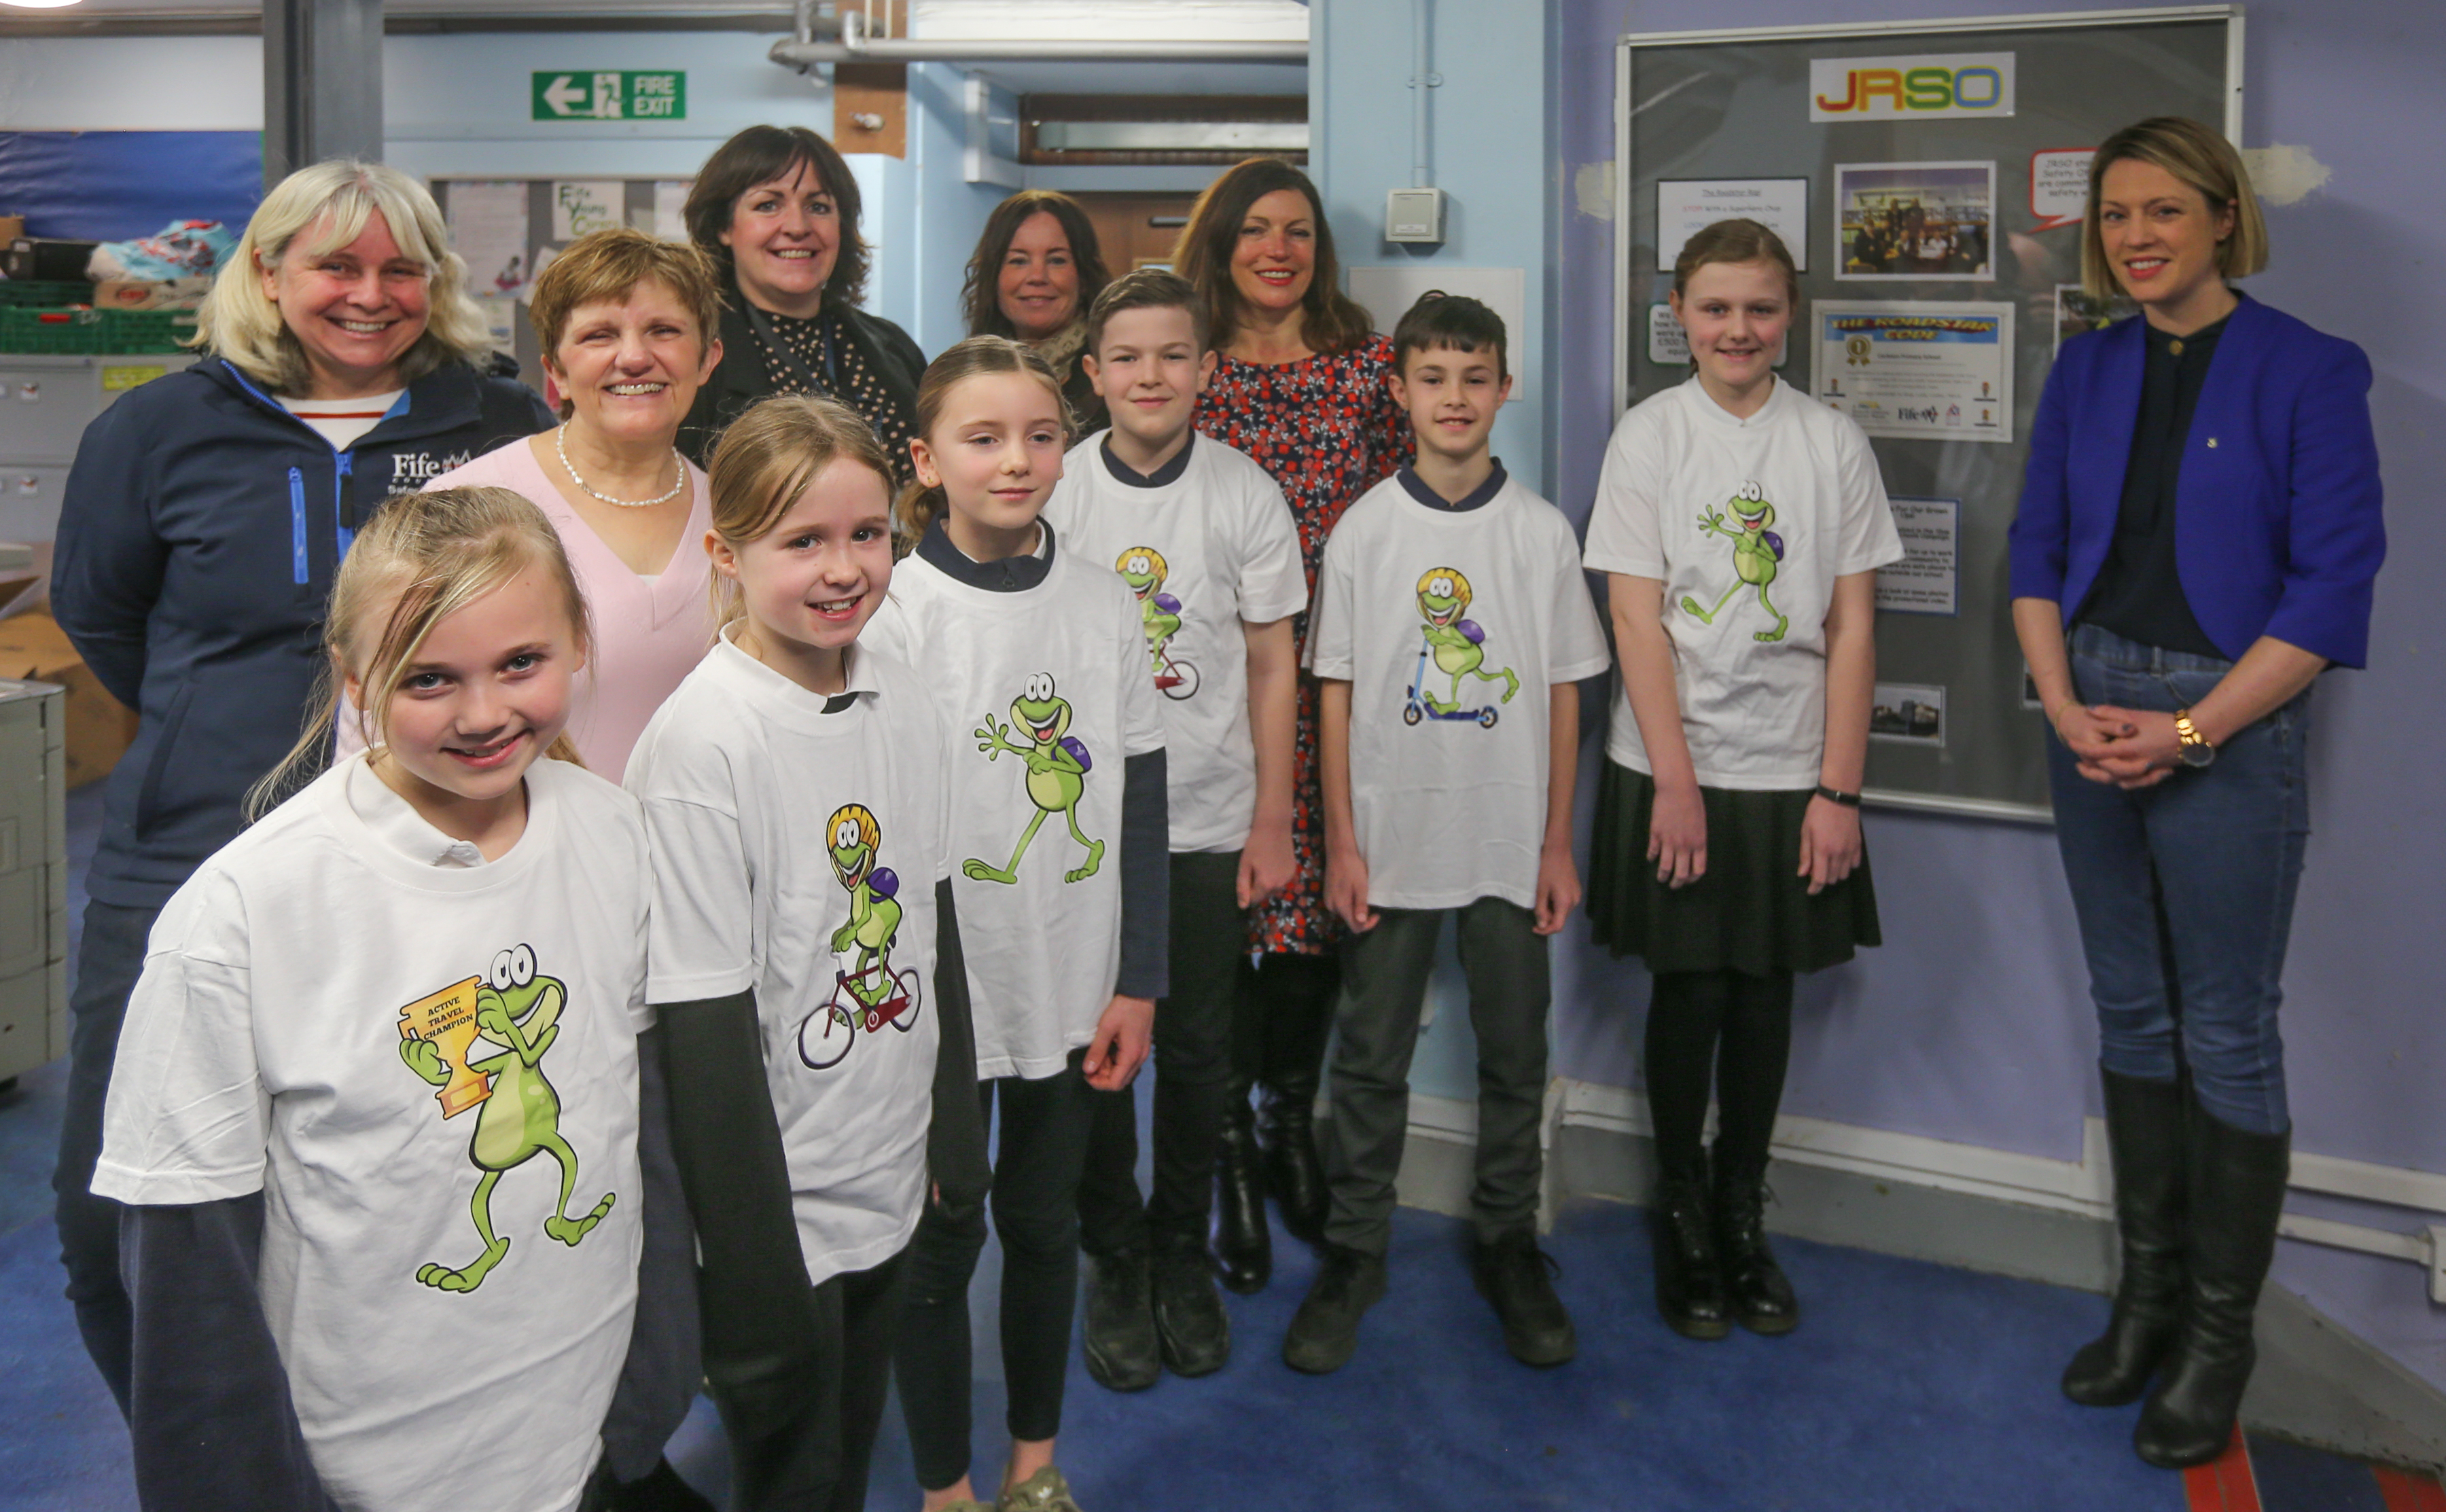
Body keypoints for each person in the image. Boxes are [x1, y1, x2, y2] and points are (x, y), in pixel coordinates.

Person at [48, 158, 555, 1416]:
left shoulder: (495, 432)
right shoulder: (154, 432)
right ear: (269, 274)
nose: (369, 295)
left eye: (400, 268)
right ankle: (220, 1465)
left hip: (428, 866)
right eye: (336, 265)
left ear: (435, 282)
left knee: (400, 1192)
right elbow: (101, 619)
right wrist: (232, 730)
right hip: (186, 860)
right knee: (121, 1204)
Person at [95, 486, 649, 1512]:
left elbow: (633, 1113)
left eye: (520, 663)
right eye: (430, 678)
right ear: (356, 681)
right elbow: (186, 1268)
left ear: (578, 642)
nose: (483, 714)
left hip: (568, 1420)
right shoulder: (244, 914)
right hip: (372, 1461)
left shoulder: (615, 833)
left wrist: (651, 1375)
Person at [2007, 117, 2384, 1472]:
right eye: (2115, 215)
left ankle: (2218, 1340)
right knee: (2131, 1009)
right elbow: (2037, 550)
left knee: (2226, 1029)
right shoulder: (2090, 366)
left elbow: (2331, 591)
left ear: (2225, 216)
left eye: (2165, 209)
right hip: (2088, 703)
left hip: (2225, 717)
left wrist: (2185, 729)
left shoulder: (2309, 370)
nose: (2137, 236)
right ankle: (2147, 1301)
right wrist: (2065, 710)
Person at [628, 395, 986, 1512]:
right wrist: (750, 1262)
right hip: (774, 1211)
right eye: (803, 542)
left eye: (868, 534)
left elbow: (932, 926)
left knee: (850, 1440)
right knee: (792, 1475)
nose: (844, 570)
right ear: (726, 553)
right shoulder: (702, 745)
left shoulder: (903, 693)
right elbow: (702, 1028)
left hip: (889, 1168)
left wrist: (956, 1136)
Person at [1582, 219, 1900, 1346]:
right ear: (1680, 312)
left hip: (1793, 770)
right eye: (1715, 308)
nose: (1737, 329)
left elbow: (1854, 625)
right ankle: (1680, 1207)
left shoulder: (1831, 442)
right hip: (1673, 766)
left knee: (1764, 990)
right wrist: (1676, 780)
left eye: (1759, 308)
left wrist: (1841, 790)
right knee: (1692, 988)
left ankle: (1738, 1205)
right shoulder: (1651, 437)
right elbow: (1634, 611)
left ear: (1790, 315)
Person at [866, 338, 1167, 1512]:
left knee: (1045, 1225)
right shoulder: (893, 612)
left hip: (1075, 980)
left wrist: (1137, 977)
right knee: (942, 1243)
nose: (1018, 459)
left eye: (1041, 434)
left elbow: (1140, 800)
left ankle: (1034, 1467)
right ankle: (945, 1489)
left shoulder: (1104, 606)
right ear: (925, 459)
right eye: (983, 438)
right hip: (943, 994)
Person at [1286, 294, 1611, 1374]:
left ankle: (1509, 1239)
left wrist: (1557, 842)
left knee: (1516, 1052)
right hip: (1391, 838)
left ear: (1504, 388)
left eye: (1475, 378)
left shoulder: (1541, 532)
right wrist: (1341, 840)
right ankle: (1355, 1246)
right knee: (1371, 1055)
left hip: (1511, 843)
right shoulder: (1366, 530)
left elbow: (1565, 692)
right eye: (1434, 378)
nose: (1456, 398)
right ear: (1401, 392)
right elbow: (1331, 691)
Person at [1046, 270, 1305, 1389]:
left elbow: (1271, 660)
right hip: (1087, 832)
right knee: (1099, 1052)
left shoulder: (1245, 494)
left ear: (1207, 371)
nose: (1150, 376)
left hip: (1205, 819)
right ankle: (1112, 1253)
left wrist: (1273, 819)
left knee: (1200, 1054)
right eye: (1128, 358)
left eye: (1173, 356)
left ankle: (1177, 1248)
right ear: (1094, 375)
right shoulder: (1052, 491)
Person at [1173, 156, 1413, 1291]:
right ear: (1220, 246)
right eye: (1257, 230)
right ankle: (1221, 1146)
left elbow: (1424, 517)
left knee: (1314, 925)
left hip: (1338, 685)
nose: (1279, 249)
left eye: (1300, 232)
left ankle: (1284, 1123)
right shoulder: (1186, 375)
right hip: (1215, 691)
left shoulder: (1374, 370)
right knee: (1223, 919)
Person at [343, 227, 722, 782]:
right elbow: (372, 726)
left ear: (707, 358)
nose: (635, 357)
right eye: (599, 336)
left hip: (700, 856)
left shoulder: (738, 516)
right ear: (556, 372)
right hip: (515, 851)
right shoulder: (465, 509)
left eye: (664, 330)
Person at [679, 124, 925, 478]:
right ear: (724, 227)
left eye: (818, 206)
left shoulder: (894, 346)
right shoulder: (696, 356)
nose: (797, 226)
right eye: (768, 205)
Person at [961, 190, 1114, 436]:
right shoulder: (965, 378)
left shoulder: (1115, 376)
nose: (1037, 277)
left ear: (1084, 276)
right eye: (1018, 261)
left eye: (1056, 261)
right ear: (994, 277)